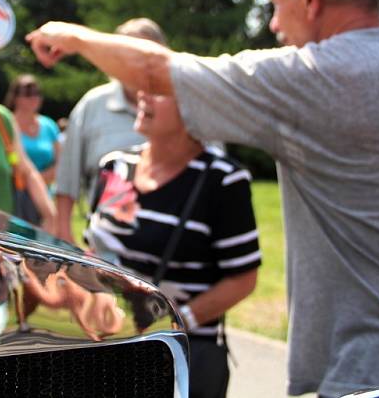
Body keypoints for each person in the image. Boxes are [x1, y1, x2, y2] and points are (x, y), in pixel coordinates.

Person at [26, 0, 379, 397]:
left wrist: (72, 36)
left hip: (372, 373)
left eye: (276, 4)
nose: (274, 25)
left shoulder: (314, 77)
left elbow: (155, 68)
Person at [87, 89, 259, 398]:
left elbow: (243, 279)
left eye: (161, 91)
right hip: (102, 348)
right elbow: (93, 249)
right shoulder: (115, 166)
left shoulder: (223, 180)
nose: (143, 95)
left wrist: (174, 324)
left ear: (196, 109)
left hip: (174, 360)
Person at [52, 17, 167, 243]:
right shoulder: (92, 106)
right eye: (126, 54)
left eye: (145, 54)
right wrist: (64, 236)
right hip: (106, 252)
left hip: (174, 251)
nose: (136, 63)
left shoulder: (185, 106)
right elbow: (67, 179)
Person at [4, 75, 61, 187]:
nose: (34, 97)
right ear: (15, 97)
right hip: (13, 191)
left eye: (37, 93)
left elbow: (60, 163)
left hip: (45, 192)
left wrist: (36, 182)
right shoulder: (5, 124)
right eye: (28, 93)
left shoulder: (49, 125)